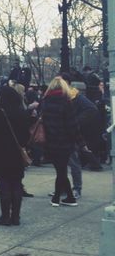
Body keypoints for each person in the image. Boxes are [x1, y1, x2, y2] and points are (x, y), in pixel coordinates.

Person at [0, 86, 30, 226]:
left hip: (0, 153)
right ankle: (15, 216)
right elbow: (26, 135)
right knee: (16, 184)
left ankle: (5, 216)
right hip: (16, 153)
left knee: (4, 184)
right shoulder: (21, 112)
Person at [41, 77, 84, 207]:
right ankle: (61, 198)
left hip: (50, 141)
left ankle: (62, 197)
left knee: (60, 170)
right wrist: (80, 142)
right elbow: (72, 125)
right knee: (62, 170)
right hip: (65, 142)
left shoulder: (45, 101)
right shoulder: (66, 102)